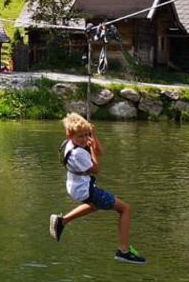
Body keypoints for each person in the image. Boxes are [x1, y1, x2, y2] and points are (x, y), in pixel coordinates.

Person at [48, 113, 145, 264]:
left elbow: (100, 152)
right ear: (70, 135)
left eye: (87, 135)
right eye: (81, 136)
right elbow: (96, 169)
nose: (85, 139)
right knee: (125, 209)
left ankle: (63, 221)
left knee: (94, 206)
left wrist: (92, 135)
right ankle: (123, 251)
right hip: (85, 189)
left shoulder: (70, 143)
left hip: (75, 186)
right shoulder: (78, 152)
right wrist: (91, 148)